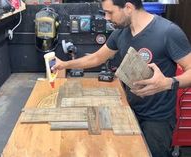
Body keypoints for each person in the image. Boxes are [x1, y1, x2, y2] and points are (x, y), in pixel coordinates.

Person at [52, 0, 191, 156]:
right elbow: (97, 58)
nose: (106, 17)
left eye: (110, 12)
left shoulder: (168, 32)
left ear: (128, 8)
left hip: (157, 120)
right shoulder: (120, 33)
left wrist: (167, 83)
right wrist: (64, 64)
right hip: (129, 111)